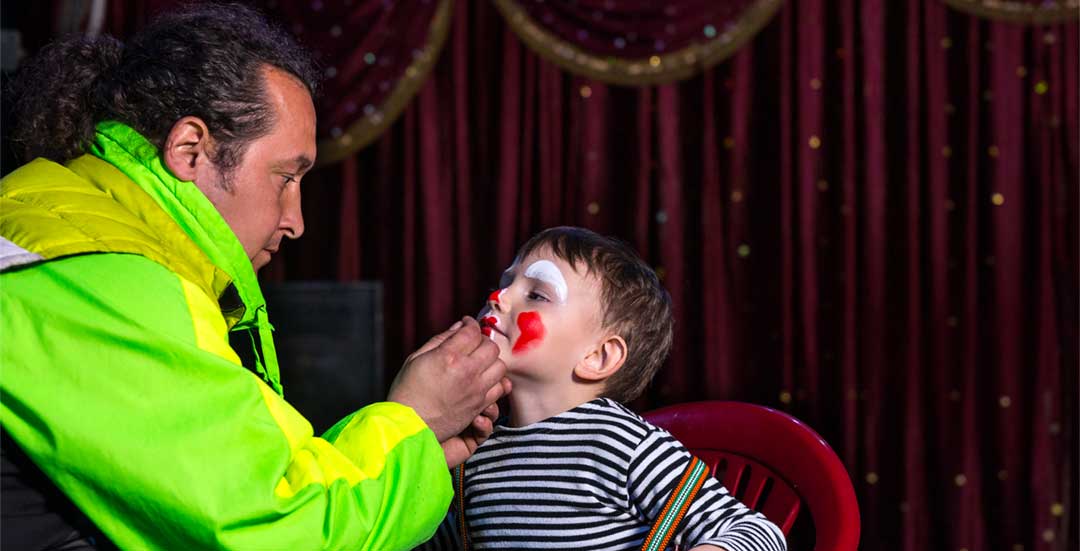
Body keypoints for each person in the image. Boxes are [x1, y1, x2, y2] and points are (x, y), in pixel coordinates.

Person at [0, 4, 508, 550]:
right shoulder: (102, 278)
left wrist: (412, 446)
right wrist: (415, 417)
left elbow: (248, 477)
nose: (296, 221)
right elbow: (276, 527)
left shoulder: (65, 228)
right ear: (191, 150)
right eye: (285, 177)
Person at [418, 227, 787, 551]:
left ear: (598, 356)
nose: (498, 297)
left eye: (537, 295)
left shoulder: (621, 442)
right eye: (505, 283)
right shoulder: (474, 453)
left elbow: (757, 533)